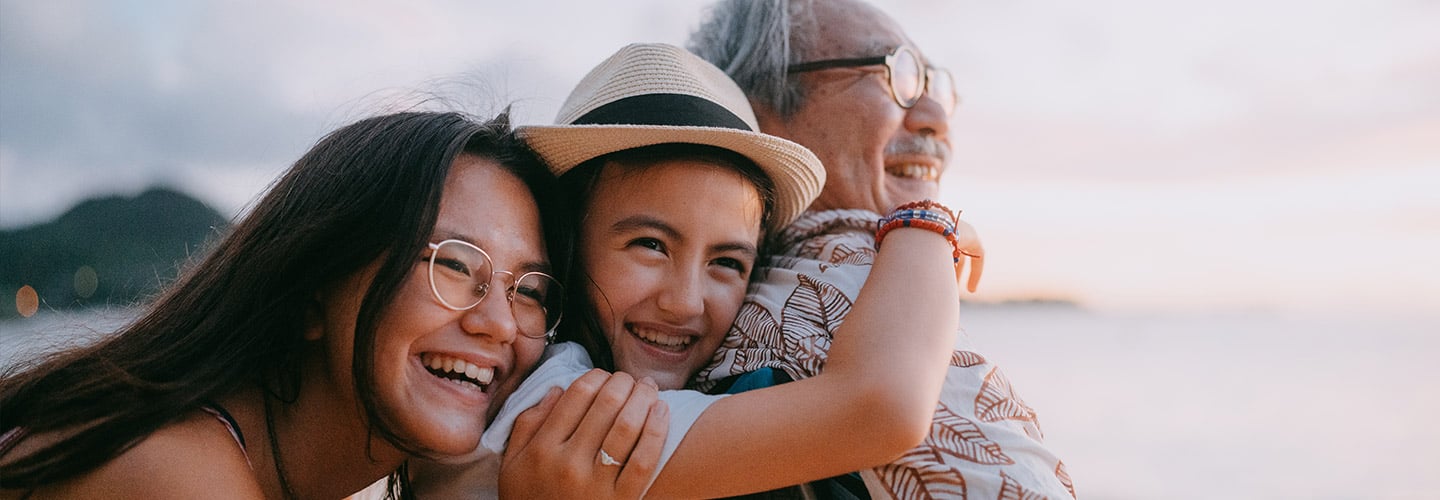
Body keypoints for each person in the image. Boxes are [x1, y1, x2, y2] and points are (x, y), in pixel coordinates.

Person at [409, 42, 966, 499]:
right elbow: (880, 409)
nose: (686, 301)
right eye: (650, 245)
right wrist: (926, 227)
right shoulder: (561, 404)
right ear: (566, 246)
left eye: (727, 261)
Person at [0, 111, 625, 498]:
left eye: (532, 293)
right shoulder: (171, 471)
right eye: (455, 265)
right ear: (312, 289)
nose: (499, 324)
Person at [687, 0, 1075, 498]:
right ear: (756, 108)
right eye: (895, 74)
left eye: (933, 83)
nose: (936, 117)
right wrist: (925, 227)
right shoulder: (843, 288)